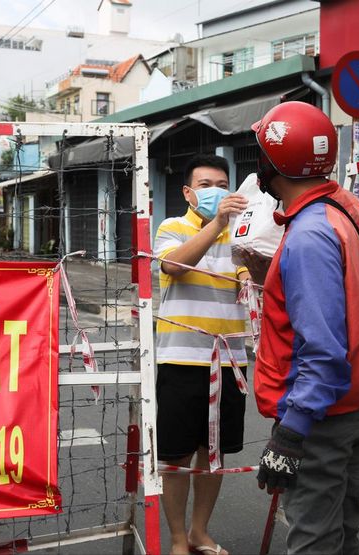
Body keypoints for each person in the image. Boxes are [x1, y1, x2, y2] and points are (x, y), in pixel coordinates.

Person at [249, 101, 359, 554]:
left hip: (321, 418)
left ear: (274, 165)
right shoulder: (340, 209)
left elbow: (323, 350)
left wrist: (291, 433)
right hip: (354, 404)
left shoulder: (309, 236)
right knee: (340, 531)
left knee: (314, 540)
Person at [153, 154, 251, 555]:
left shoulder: (242, 236)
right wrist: (217, 224)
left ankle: (199, 532)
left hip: (230, 361)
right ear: (188, 192)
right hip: (180, 359)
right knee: (175, 454)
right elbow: (174, 265)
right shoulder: (171, 227)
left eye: (222, 184)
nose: (216, 192)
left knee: (214, 454)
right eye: (206, 185)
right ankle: (177, 538)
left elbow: (257, 281)